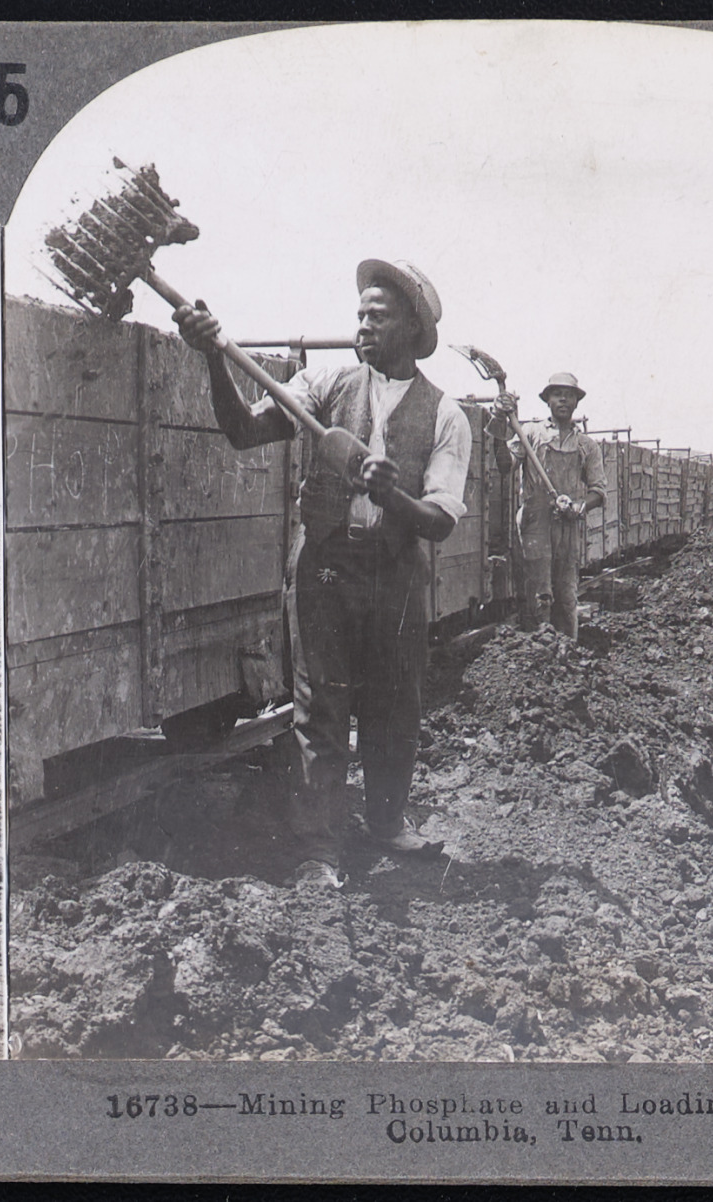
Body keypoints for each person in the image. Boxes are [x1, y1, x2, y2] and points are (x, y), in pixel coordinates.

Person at [173, 257, 471, 890]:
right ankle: (318, 851)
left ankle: (386, 823)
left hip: (396, 576)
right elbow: (243, 431)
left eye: (377, 316)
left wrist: (392, 496)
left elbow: (441, 521)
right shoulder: (325, 383)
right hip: (326, 570)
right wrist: (213, 359)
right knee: (321, 712)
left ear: (412, 328)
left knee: (395, 708)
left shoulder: (447, 415)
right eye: (360, 314)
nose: (362, 326)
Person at [502, 372, 607, 637]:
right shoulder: (530, 433)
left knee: (567, 595)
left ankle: (567, 651)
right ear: (547, 400)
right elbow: (504, 465)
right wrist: (499, 421)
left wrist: (579, 506)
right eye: (557, 394)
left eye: (569, 395)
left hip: (567, 525)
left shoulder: (586, 446)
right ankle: (537, 650)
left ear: (576, 402)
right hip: (535, 525)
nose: (563, 400)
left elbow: (598, 491)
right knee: (538, 595)